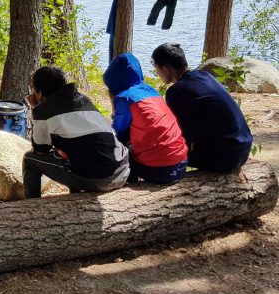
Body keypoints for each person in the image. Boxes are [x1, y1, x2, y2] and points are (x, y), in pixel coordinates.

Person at [23, 65, 130, 197]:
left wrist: (36, 108)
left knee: (29, 159)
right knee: (74, 150)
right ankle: (75, 196)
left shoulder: (43, 110)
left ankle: (32, 204)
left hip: (99, 180)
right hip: (121, 171)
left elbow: (40, 149)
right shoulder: (84, 99)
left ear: (39, 92)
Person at [151, 43, 253, 172]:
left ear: (165, 69)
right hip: (244, 149)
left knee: (155, 154)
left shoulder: (176, 91)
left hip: (225, 158)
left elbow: (180, 135)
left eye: (156, 67)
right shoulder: (205, 76)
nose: (157, 72)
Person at [103, 53, 188, 184]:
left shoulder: (124, 99)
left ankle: (127, 189)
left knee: (123, 153)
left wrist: (114, 112)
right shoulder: (151, 91)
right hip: (181, 162)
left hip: (160, 169)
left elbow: (118, 135)